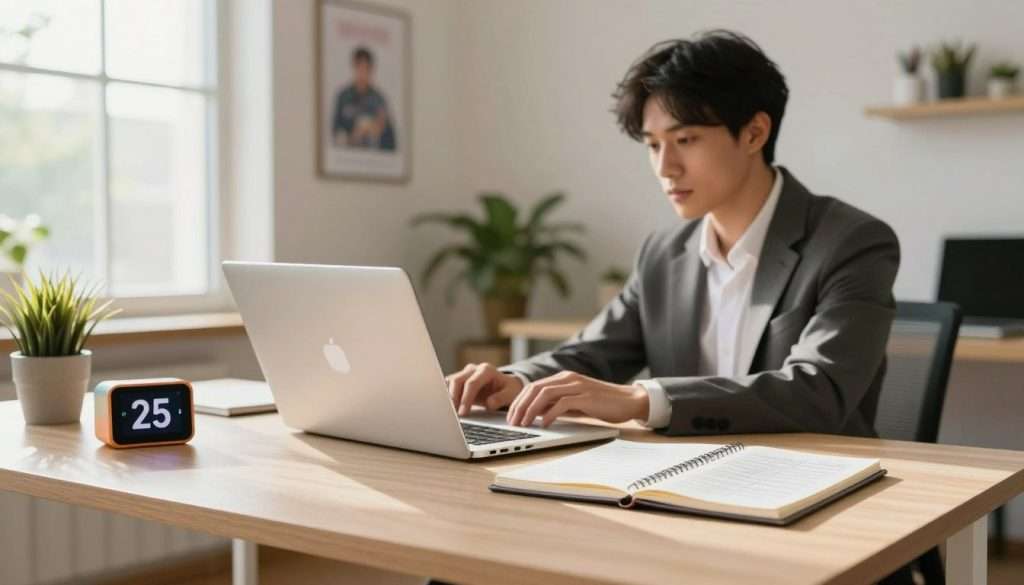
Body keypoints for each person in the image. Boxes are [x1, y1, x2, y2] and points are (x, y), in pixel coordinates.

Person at [441, 29, 914, 585]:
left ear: (754, 132)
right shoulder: (664, 252)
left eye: (685, 139)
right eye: (651, 143)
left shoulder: (850, 241)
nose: (665, 167)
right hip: (681, 497)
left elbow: (819, 390)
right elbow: (594, 355)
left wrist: (642, 399)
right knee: (473, 558)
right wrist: (514, 382)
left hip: (812, 512)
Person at [332, 46, 396, 151]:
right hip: (348, 158)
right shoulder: (343, 97)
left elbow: (391, 143)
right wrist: (353, 136)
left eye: (366, 68)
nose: (363, 73)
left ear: (371, 70)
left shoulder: (379, 99)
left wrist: (378, 130)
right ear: (354, 67)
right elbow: (335, 134)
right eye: (360, 67)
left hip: (374, 160)